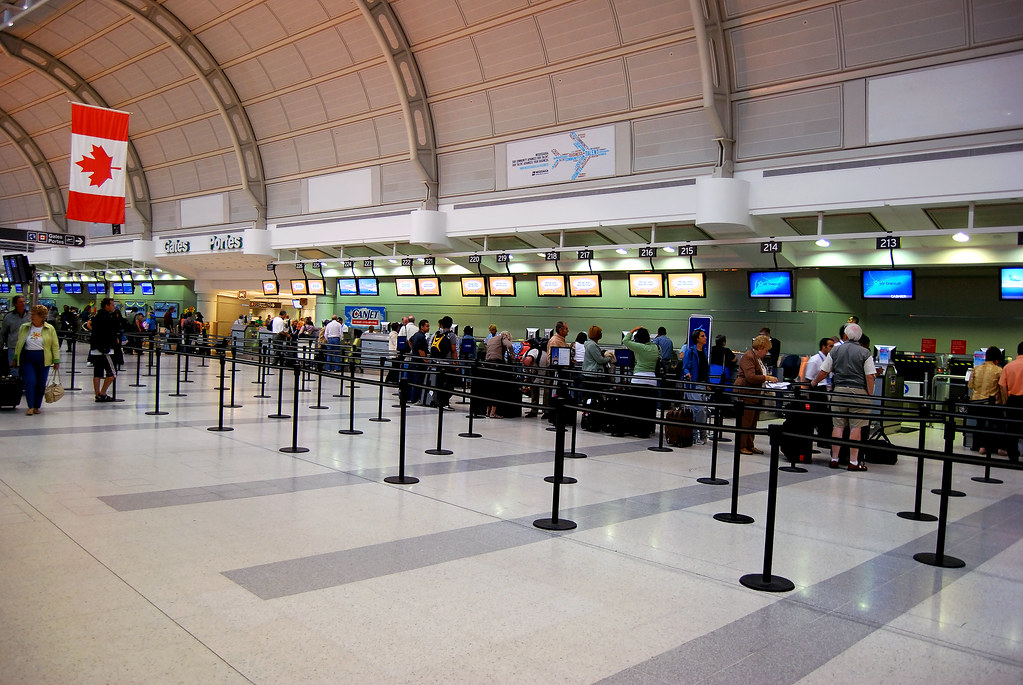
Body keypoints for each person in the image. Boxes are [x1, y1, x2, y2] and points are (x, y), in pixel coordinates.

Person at [811, 323, 874, 471]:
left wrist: (814, 383)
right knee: (856, 428)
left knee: (838, 426)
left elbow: (824, 371)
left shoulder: (835, 350)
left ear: (845, 335)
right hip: (858, 393)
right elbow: (870, 376)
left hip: (839, 391)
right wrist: (869, 394)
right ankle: (853, 462)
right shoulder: (865, 353)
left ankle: (834, 459)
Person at [13, 305, 61, 415]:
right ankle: (30, 406)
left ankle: (36, 406)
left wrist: (56, 360)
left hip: (44, 359)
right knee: (30, 381)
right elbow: (19, 343)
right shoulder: (24, 327)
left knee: (41, 383)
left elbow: (54, 345)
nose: (31, 316)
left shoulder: (50, 328)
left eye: (34, 315)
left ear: (41, 316)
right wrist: (15, 358)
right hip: (27, 358)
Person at [734, 335, 777, 455]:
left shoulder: (757, 358)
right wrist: (767, 378)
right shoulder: (748, 357)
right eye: (766, 349)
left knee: (752, 421)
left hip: (755, 394)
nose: (766, 352)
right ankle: (742, 446)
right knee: (746, 421)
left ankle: (749, 444)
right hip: (746, 392)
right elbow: (750, 377)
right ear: (760, 347)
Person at [623, 326, 660, 438]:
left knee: (637, 407)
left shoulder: (639, 347)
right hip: (652, 380)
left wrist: (632, 330)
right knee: (648, 407)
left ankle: (637, 429)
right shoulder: (656, 347)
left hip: (638, 378)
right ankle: (648, 429)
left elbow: (625, 341)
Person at [967, 346, 1004, 455]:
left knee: (980, 424)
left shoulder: (976, 368)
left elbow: (970, 385)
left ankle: (979, 446)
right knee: (995, 425)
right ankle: (994, 448)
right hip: (991, 403)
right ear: (996, 359)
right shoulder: (998, 370)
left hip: (977, 402)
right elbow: (1001, 388)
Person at [802, 337, 836, 446]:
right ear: (823, 347)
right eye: (830, 346)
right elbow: (807, 379)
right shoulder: (815, 360)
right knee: (816, 418)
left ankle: (824, 440)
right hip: (817, 390)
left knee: (826, 419)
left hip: (827, 390)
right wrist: (806, 394)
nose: (832, 348)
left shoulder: (829, 359)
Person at [87, 297, 121, 402]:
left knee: (97, 372)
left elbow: (90, 326)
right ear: (107, 305)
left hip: (95, 349)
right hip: (105, 349)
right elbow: (112, 331)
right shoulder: (108, 318)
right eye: (112, 305)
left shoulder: (96, 316)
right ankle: (102, 394)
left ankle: (97, 394)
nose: (113, 306)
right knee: (112, 373)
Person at [682, 329, 710, 444]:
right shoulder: (691, 351)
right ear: (697, 339)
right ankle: (696, 434)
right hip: (693, 384)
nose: (705, 338)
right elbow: (685, 366)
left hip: (702, 384)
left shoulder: (704, 351)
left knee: (702, 410)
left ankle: (701, 434)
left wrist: (708, 384)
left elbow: (705, 369)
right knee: (698, 410)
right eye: (703, 336)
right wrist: (687, 373)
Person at [1, 295, 30, 376]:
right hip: (13, 346)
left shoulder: (30, 316)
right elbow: (3, 333)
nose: (23, 304)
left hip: (27, 347)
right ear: (15, 304)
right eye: (20, 302)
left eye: (24, 301)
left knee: (27, 369)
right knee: (14, 369)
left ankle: (26, 386)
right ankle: (15, 386)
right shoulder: (8, 317)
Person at [406, 319, 430, 405]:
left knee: (413, 381)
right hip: (419, 363)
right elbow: (421, 350)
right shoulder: (421, 337)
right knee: (418, 381)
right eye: (427, 326)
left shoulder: (416, 335)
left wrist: (413, 349)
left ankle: (412, 398)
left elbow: (409, 340)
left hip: (413, 360)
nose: (428, 328)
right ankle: (417, 399)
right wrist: (426, 360)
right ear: (421, 326)